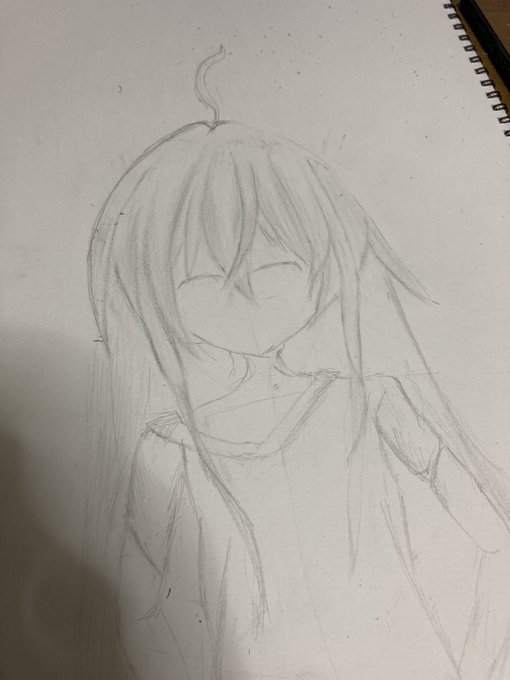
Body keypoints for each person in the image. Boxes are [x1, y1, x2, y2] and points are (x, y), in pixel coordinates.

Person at [85, 48, 510, 680]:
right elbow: (137, 608)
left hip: (403, 654)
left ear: (320, 269)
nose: (246, 296)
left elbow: (490, 528)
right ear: (157, 292)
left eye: (276, 267)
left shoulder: (373, 399)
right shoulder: (170, 448)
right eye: (204, 279)